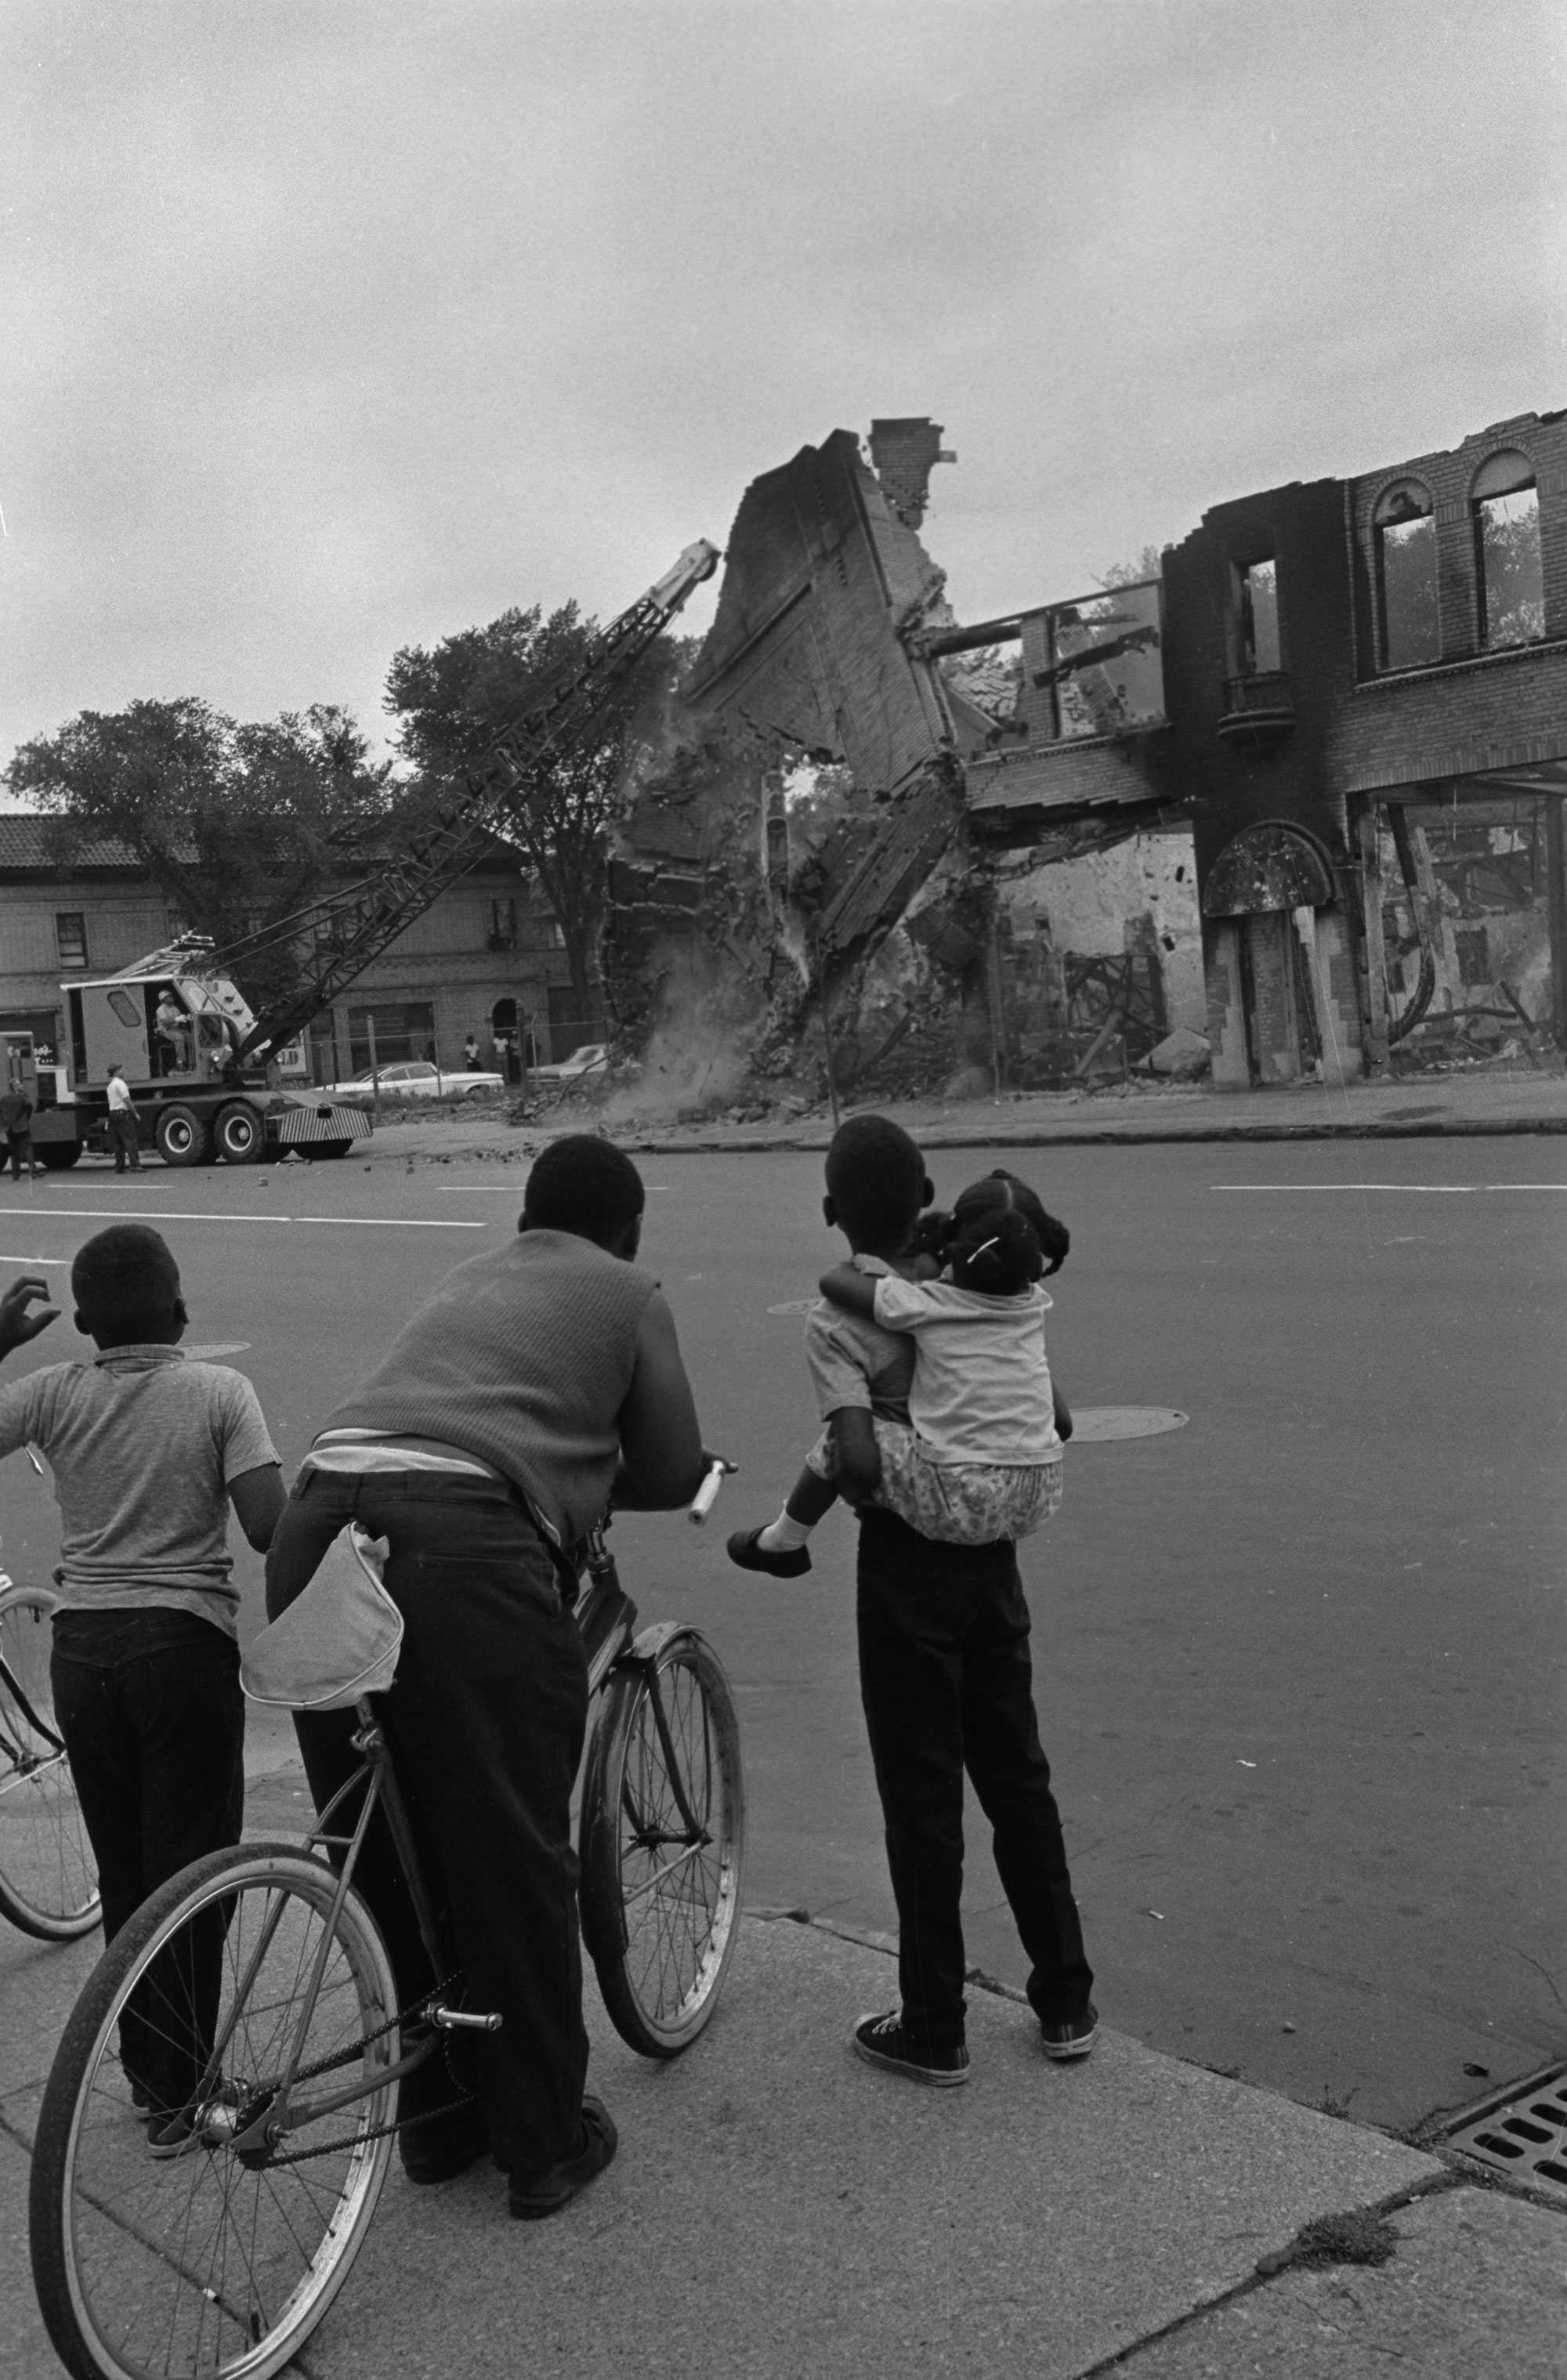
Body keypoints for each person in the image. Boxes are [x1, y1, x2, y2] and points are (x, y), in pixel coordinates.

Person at [263, 1134, 708, 2218]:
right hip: (464, 1540)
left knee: (392, 1851)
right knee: (511, 1853)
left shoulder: (471, 1276)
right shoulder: (626, 1286)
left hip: (319, 1521)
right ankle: (545, 2140)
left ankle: (437, 2121)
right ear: (630, 1229)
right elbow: (670, 1466)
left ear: (527, 1217)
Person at [735, 1119, 1095, 2087]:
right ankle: (1064, 1997)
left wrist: (875, 1479)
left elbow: (852, 1457)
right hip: (994, 1563)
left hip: (907, 1568)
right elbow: (1052, 1414)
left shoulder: (842, 1319)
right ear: (928, 1188)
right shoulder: (979, 1282)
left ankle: (934, 2023)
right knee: (1017, 1776)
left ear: (828, 1214)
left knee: (921, 1799)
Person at [0, 1229, 284, 2144]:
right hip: (181, 1650)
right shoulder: (218, 1391)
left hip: (82, 1656)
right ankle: (189, 2091)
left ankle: (152, 2076)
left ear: (82, 1323)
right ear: (181, 1307)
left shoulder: (52, 1392)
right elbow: (271, 1525)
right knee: (195, 1875)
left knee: (127, 1876)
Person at [729, 1168, 1071, 1569]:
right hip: (1038, 1496)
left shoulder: (929, 1304)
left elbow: (833, 1282)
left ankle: (784, 1539)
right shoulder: (1034, 1304)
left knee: (848, 1438)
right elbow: (1061, 1424)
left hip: (955, 1507)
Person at [0, 1081, 39, 1181]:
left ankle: (15, 1175)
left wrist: (5, 1124)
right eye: (19, 1084)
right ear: (15, 1087)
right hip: (22, 1127)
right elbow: (30, 1106)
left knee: (14, 1151)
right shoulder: (22, 1097)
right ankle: (33, 1171)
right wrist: (26, 1118)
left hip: (9, 1129)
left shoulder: (3, 1099)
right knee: (28, 1148)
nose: (22, 1086)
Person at [104, 1065, 140, 1171]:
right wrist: (135, 1113)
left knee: (118, 1142)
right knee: (130, 1140)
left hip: (113, 1114)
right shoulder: (120, 1084)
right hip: (122, 1114)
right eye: (120, 1070)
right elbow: (127, 1100)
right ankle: (135, 1165)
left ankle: (119, 1166)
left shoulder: (110, 1086)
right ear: (115, 1073)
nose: (122, 1071)